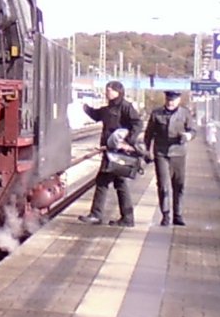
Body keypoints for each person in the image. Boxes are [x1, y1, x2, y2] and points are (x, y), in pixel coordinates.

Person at [78, 80, 143, 226]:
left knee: (107, 182)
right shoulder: (108, 108)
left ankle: (99, 215)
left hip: (118, 153)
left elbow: (137, 124)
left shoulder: (126, 107)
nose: (107, 92)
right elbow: (96, 115)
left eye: (109, 90)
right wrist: (84, 107)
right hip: (109, 152)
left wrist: (127, 140)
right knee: (115, 183)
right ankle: (125, 218)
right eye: (107, 89)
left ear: (117, 91)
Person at [142, 90, 196, 226]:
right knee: (163, 185)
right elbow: (148, 134)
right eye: (168, 100)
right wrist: (146, 151)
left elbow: (193, 130)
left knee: (179, 185)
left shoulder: (185, 113)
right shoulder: (156, 113)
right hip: (161, 153)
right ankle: (165, 215)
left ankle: (178, 215)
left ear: (179, 100)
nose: (170, 102)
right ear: (165, 100)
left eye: (173, 100)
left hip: (179, 153)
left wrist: (188, 136)